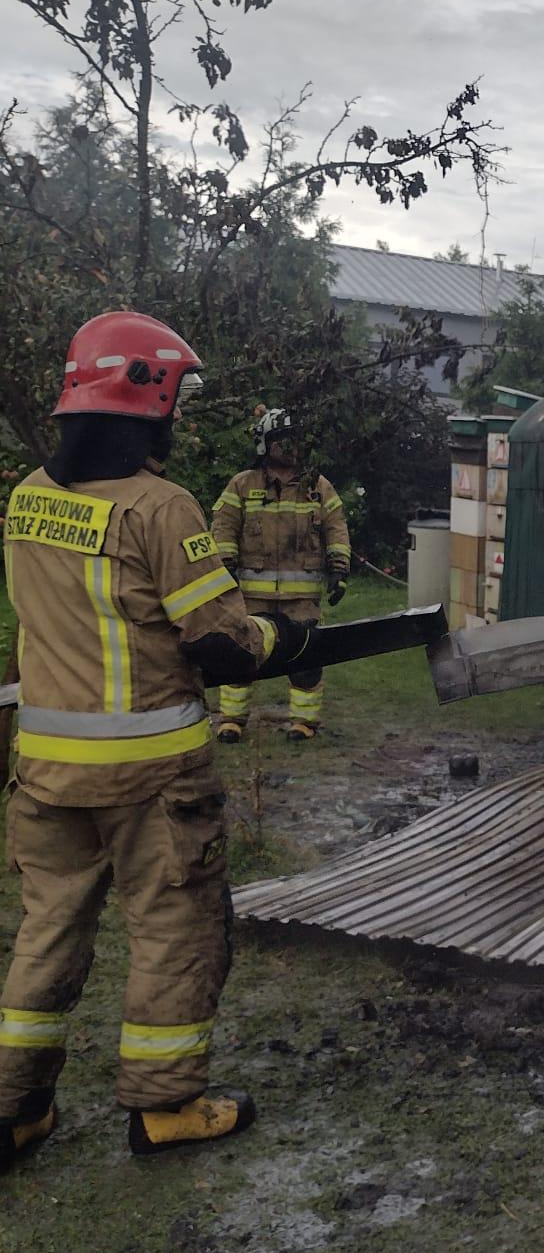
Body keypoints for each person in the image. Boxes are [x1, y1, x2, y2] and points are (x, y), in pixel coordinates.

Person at [0, 311, 305, 1170]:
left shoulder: (27, 497)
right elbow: (218, 643)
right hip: (151, 779)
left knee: (47, 933)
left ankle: (15, 1112)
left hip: (47, 772)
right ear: (150, 398)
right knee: (176, 929)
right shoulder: (160, 507)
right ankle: (167, 1108)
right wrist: (280, 639)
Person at [210, 408, 350, 741]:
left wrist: (339, 569)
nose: (291, 447)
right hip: (251, 595)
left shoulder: (317, 486)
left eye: (295, 439)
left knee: (306, 658)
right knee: (241, 653)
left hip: (301, 598)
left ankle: (304, 722)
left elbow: (336, 528)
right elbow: (224, 526)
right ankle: (232, 719)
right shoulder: (242, 485)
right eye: (283, 440)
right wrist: (225, 565)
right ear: (265, 444)